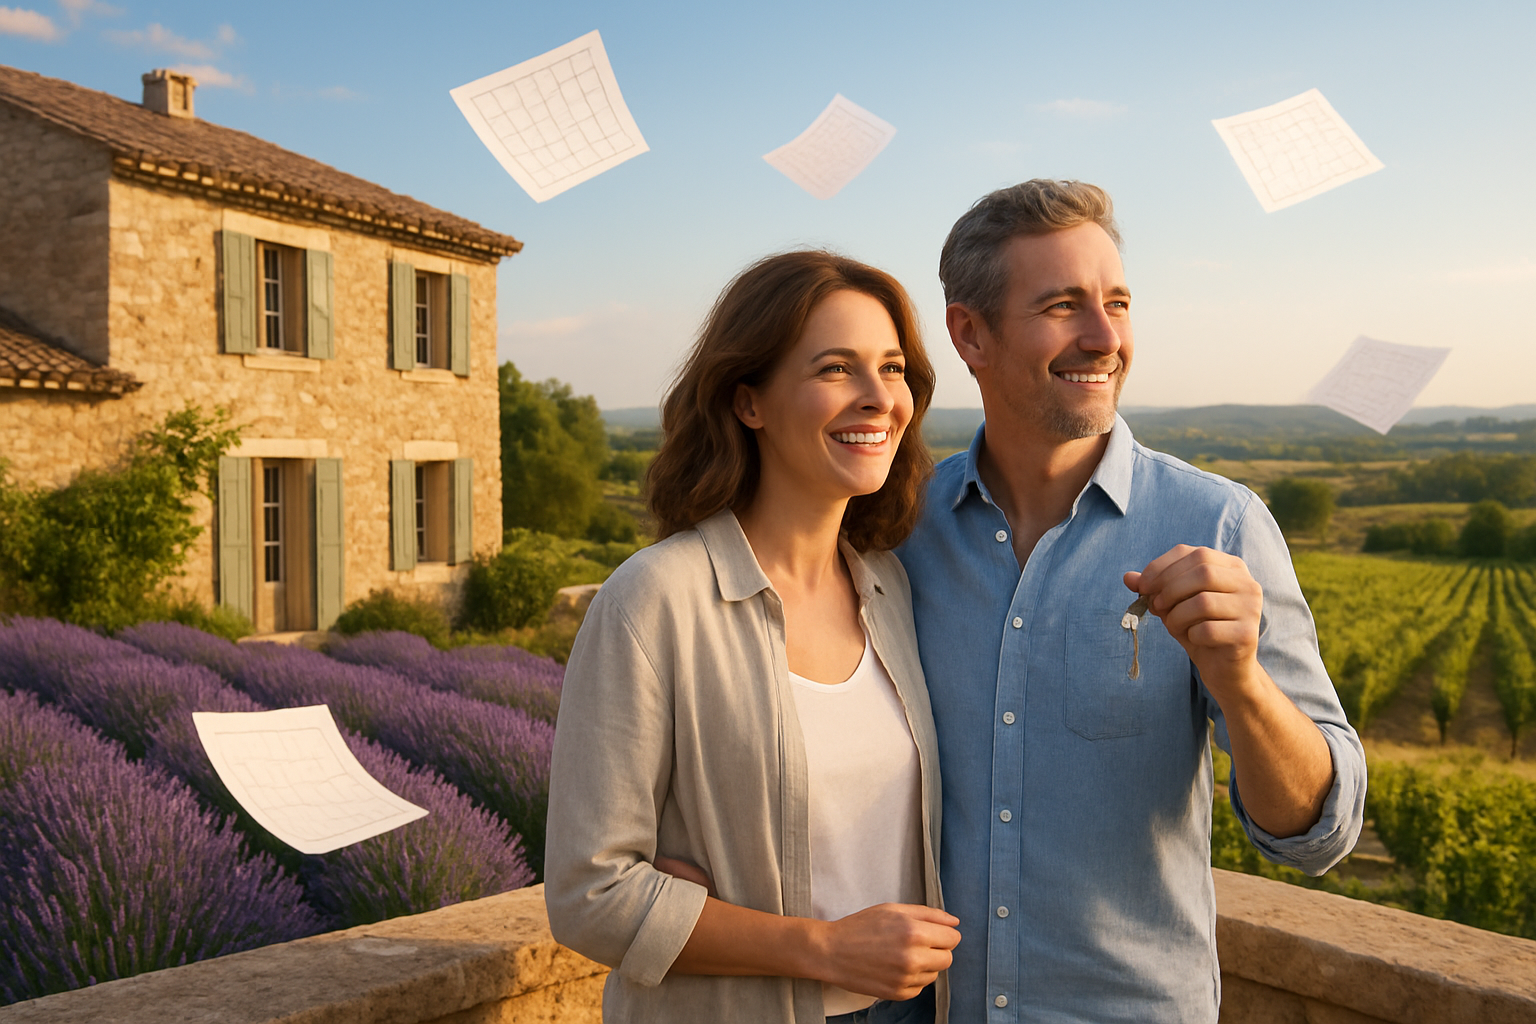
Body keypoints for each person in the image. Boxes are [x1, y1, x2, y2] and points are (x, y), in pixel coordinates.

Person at [897, 180, 1367, 1022]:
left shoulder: (1220, 523)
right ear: (970, 333)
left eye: (1117, 302)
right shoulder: (901, 534)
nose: (1106, 337)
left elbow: (1319, 834)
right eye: (1063, 306)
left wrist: (1246, 684)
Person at [544, 250, 961, 1024]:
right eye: (837, 369)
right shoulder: (655, 600)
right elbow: (587, 893)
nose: (879, 400)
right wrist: (821, 948)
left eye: (893, 368)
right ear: (749, 402)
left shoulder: (891, 589)